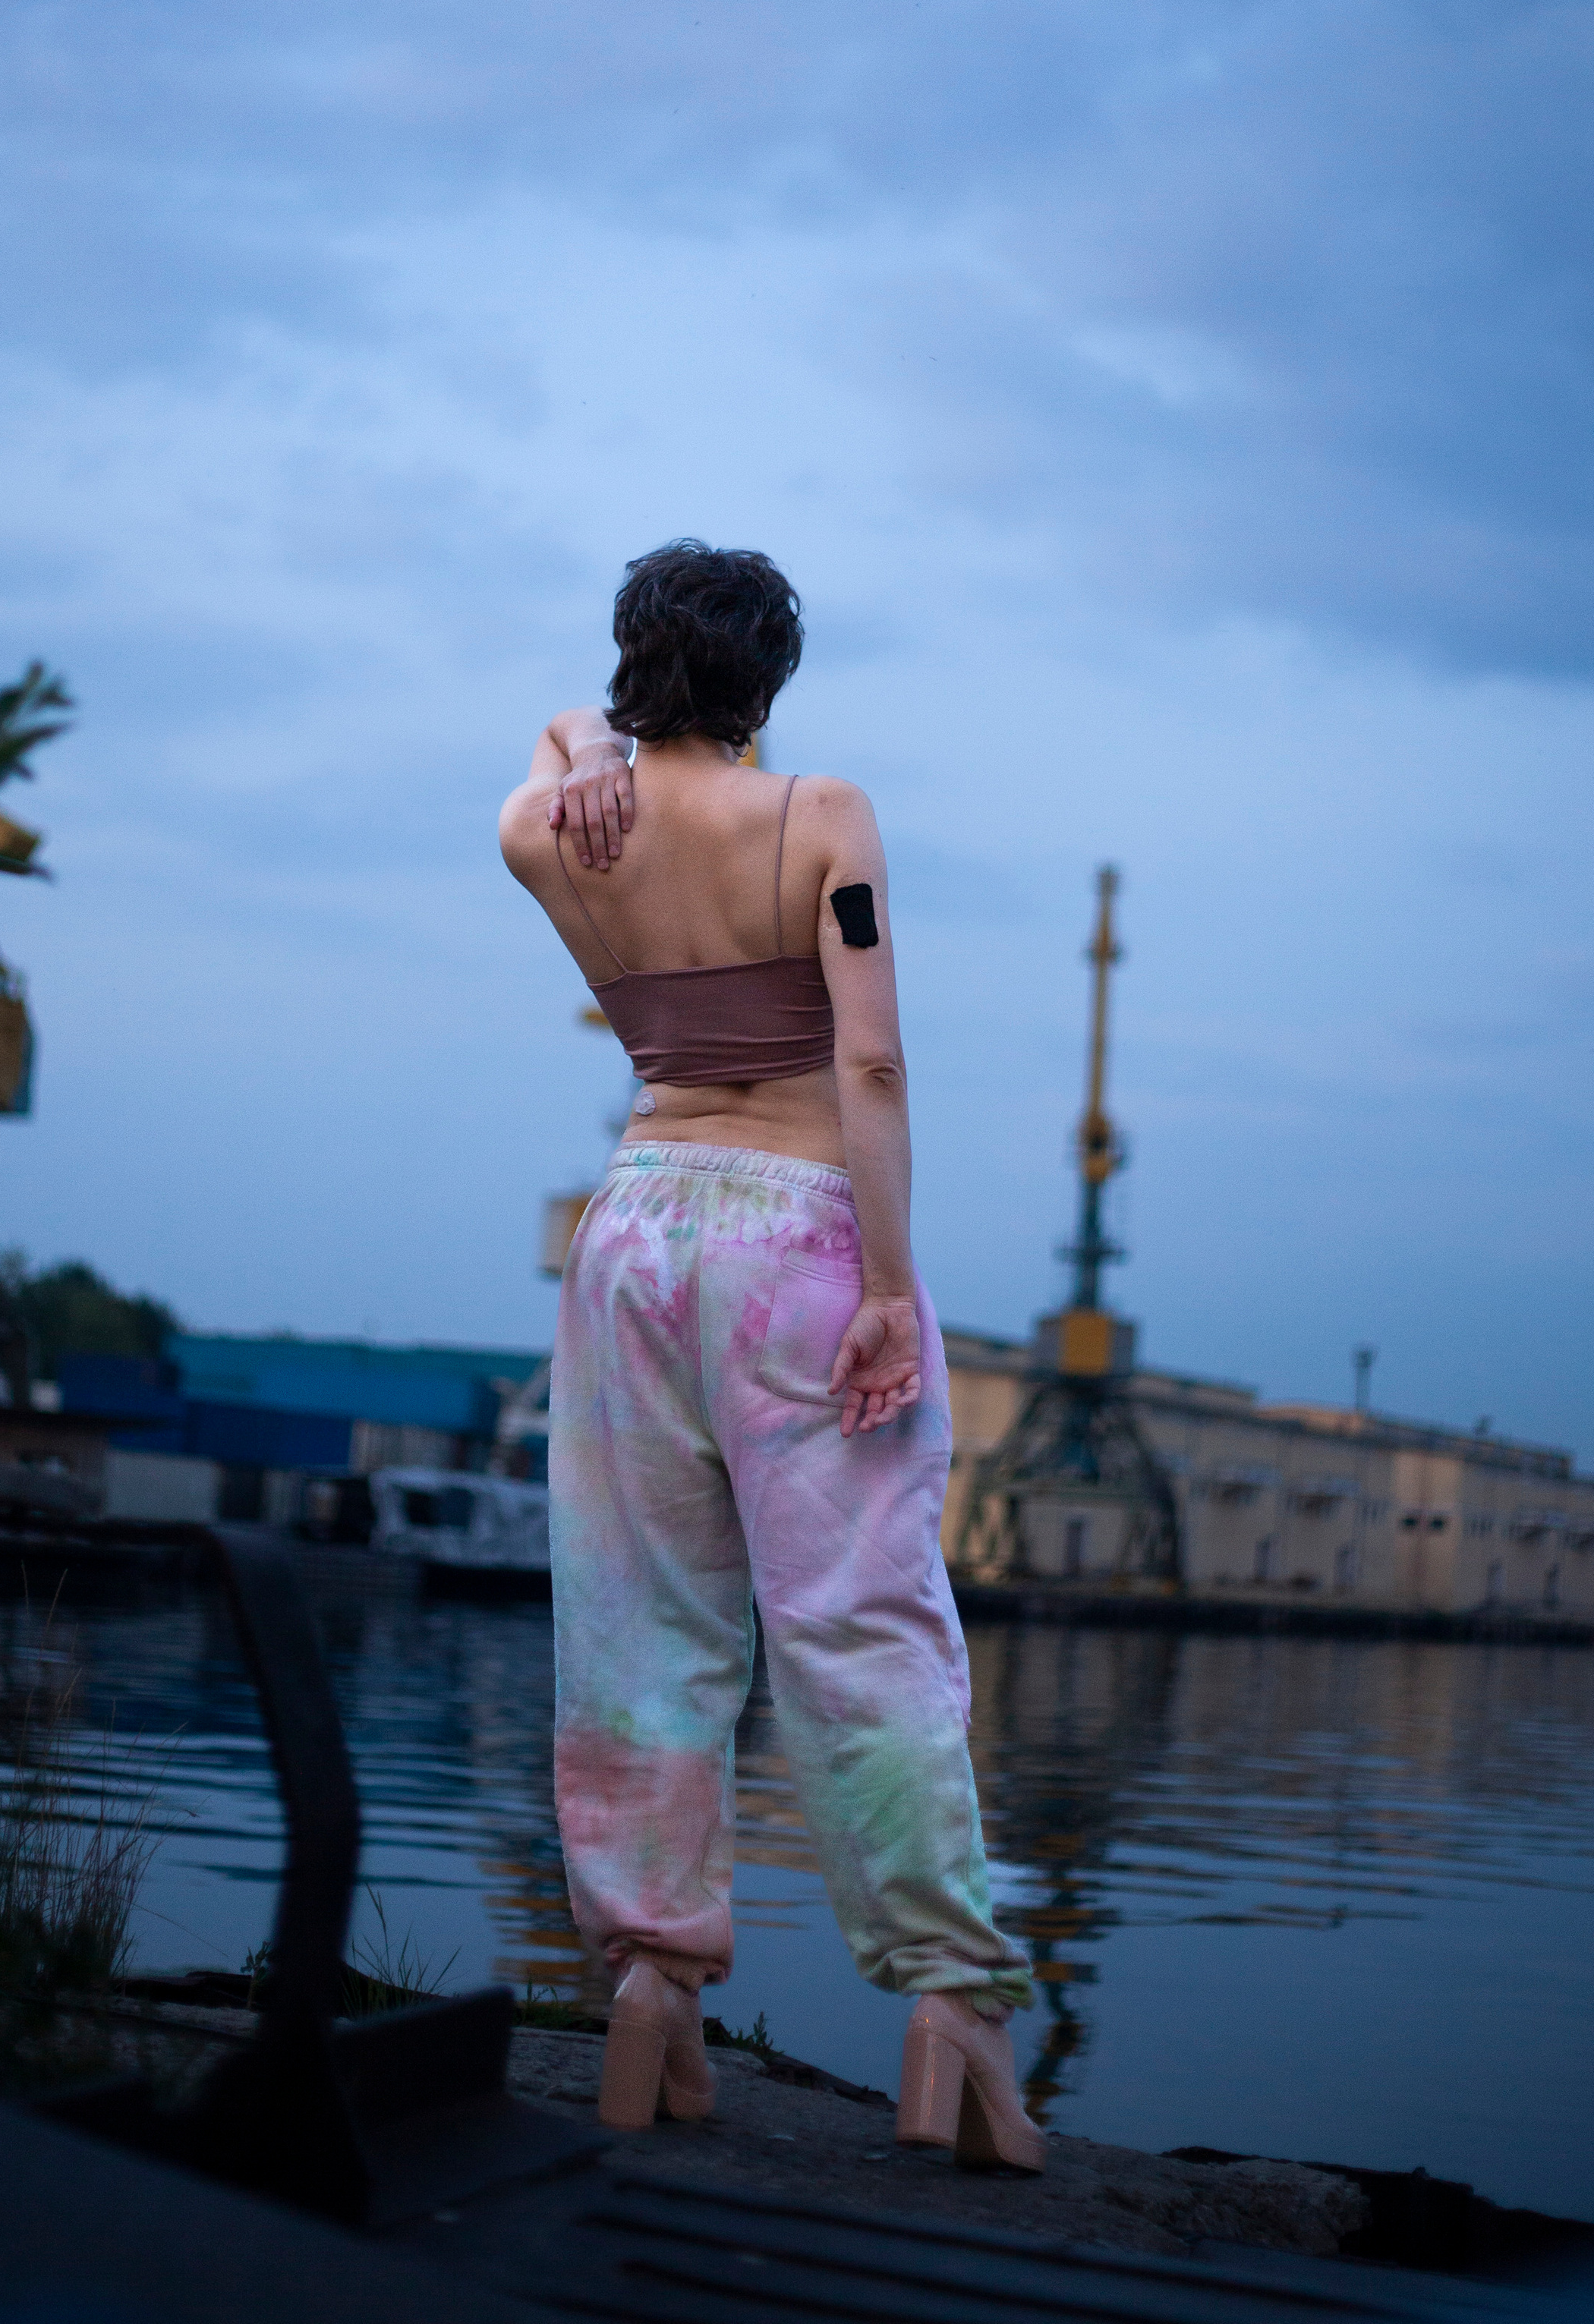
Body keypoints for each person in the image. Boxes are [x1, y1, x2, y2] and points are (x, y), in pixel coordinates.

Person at [499, 540, 1041, 2170]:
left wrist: (585, 743)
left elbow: (546, 752)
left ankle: (647, 1980)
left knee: (634, 1621)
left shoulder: (549, 827)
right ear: (769, 680)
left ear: (631, 665)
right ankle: (950, 2004)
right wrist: (889, 1281)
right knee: (862, 1625)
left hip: (636, 1231)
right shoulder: (823, 817)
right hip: (799, 1240)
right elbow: (867, 1065)